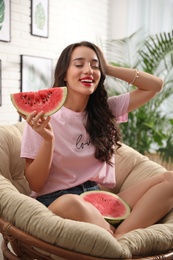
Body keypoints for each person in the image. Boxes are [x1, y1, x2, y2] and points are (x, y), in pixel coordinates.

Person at [20, 41, 173, 238]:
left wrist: (107, 67)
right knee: (71, 201)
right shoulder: (42, 117)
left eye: (94, 65)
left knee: (170, 179)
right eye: (79, 64)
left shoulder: (105, 111)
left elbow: (155, 86)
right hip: (56, 202)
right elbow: (35, 184)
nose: (88, 70)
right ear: (64, 74)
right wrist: (48, 140)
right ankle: (116, 240)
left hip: (97, 197)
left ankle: (119, 239)